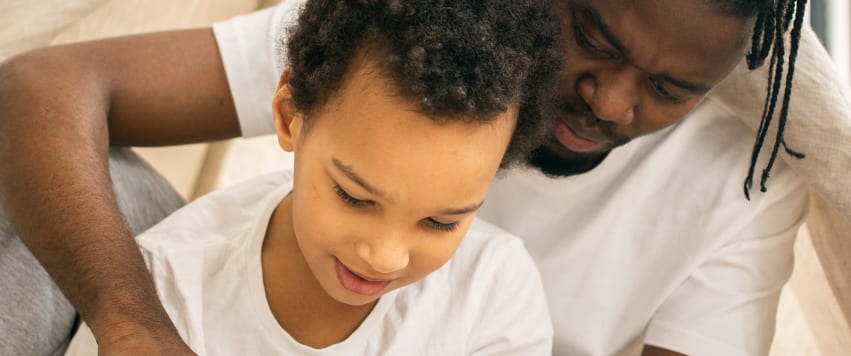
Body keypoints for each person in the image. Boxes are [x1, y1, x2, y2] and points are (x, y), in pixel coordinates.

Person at [0, 0, 813, 355]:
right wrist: (131, 321)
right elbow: (43, 90)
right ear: (294, 115)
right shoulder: (406, 32)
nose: (609, 98)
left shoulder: (747, 182)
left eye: (671, 89)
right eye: (592, 37)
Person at [60, 0, 561, 354]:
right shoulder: (166, 295)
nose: (385, 256)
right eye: (355, 197)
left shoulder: (494, 294)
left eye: (440, 222)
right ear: (288, 114)